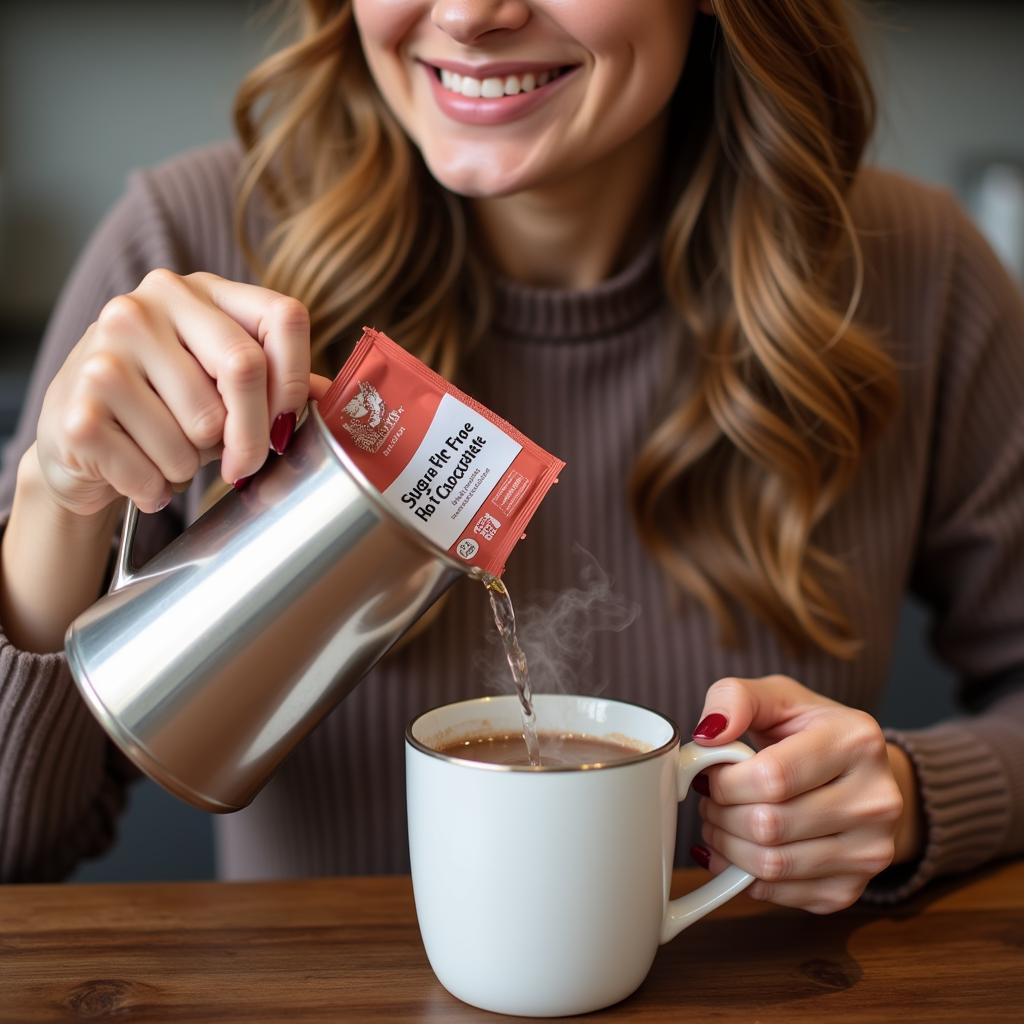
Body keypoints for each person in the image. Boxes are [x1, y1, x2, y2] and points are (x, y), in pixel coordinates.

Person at [1, 0, 1022, 913]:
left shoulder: (912, 275)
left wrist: (913, 795)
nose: (470, 14)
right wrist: (59, 493)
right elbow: (17, 850)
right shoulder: (192, 250)